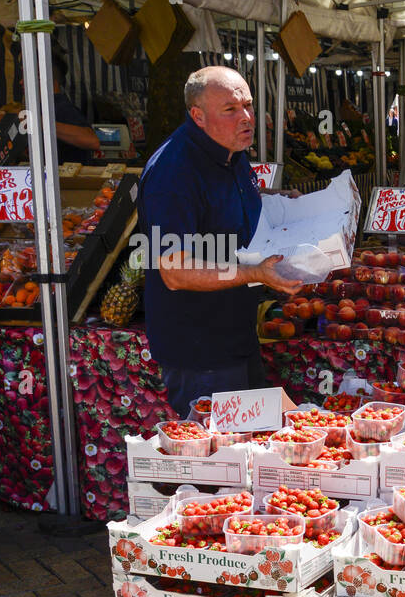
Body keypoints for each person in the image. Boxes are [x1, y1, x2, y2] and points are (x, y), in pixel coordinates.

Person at [137, 66, 303, 417]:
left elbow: (226, 200)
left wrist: (278, 198)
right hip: (199, 350)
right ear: (198, 116)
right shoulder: (173, 174)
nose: (246, 117)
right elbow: (175, 271)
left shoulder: (231, 153)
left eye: (248, 105)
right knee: (215, 460)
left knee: (252, 449)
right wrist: (253, 272)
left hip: (236, 335)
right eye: (230, 109)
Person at [51, 54, 100, 166]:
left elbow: (92, 141)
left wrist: (40, 123)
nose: (21, 82)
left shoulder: (60, 107)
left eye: (24, 76)